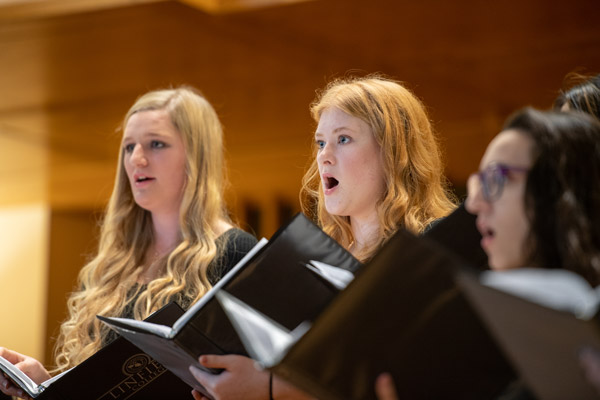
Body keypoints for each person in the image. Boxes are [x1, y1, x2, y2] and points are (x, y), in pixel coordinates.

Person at [189, 75, 457, 399]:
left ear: (393, 152)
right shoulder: (312, 260)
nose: (324, 156)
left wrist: (272, 390)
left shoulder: (433, 250)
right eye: (320, 142)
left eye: (343, 139)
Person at [0, 86, 257, 398]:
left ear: (196, 156)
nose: (137, 159)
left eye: (156, 144)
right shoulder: (113, 264)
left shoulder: (238, 254)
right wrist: (44, 384)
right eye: (129, 146)